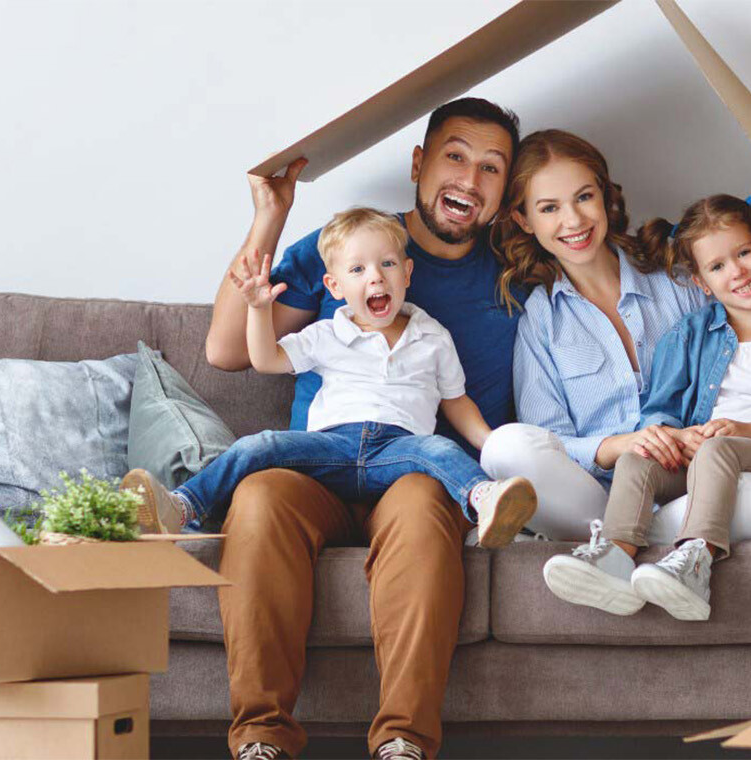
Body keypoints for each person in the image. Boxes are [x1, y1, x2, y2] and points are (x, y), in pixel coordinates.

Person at [202, 98, 520, 760]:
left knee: (426, 509)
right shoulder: (353, 247)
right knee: (257, 498)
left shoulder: (516, 269)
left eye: (491, 168)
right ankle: (261, 737)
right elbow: (228, 351)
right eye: (455, 156)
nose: (469, 179)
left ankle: (403, 740)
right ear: (418, 162)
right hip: (316, 467)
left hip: (415, 470)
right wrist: (270, 215)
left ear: (504, 191)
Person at [480, 130, 751, 542]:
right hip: (590, 499)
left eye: (584, 197)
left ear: (606, 197)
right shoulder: (541, 317)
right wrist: (623, 445)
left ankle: (615, 550)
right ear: (524, 220)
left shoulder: (677, 282)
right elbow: (550, 442)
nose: (573, 220)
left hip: (689, 490)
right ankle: (624, 537)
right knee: (504, 447)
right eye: (549, 208)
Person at [145, 208, 536, 547]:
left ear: (407, 273)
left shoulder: (432, 336)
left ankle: (487, 499)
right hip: (330, 447)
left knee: (440, 451)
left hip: (397, 450)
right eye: (357, 269)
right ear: (334, 285)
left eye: (387, 264)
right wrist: (259, 310)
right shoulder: (327, 333)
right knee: (258, 445)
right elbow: (265, 360)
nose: (376, 278)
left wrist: (491, 442)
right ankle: (182, 507)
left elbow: (455, 400)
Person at [544, 183, 751, 621]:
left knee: (718, 448)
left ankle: (695, 560)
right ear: (701, 282)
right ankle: (615, 557)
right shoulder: (687, 336)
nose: (736, 272)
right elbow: (659, 409)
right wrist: (675, 435)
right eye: (718, 266)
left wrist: (745, 431)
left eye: (744, 254)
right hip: (700, 454)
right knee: (639, 456)